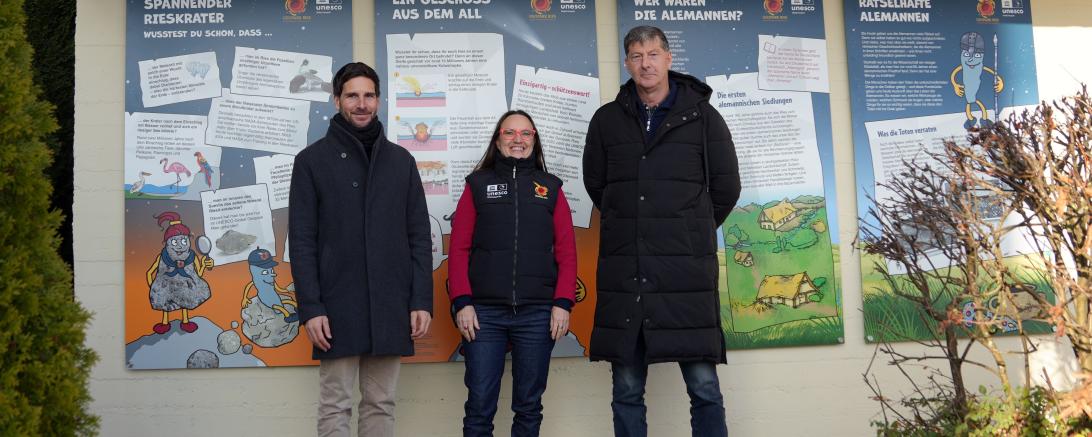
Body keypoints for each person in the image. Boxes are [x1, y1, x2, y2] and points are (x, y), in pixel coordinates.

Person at [582, 25, 742, 437]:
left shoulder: (703, 117)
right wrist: (637, 225)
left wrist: (687, 231)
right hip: (628, 272)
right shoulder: (607, 120)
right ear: (627, 63)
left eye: (653, 54)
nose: (646, 64)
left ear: (669, 59)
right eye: (637, 56)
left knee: (704, 387)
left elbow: (726, 187)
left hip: (686, 273)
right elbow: (598, 186)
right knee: (626, 389)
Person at [289, 62, 433, 437]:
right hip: (336, 305)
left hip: (390, 303)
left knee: (381, 403)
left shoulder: (401, 161)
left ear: (379, 101)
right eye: (352, 95)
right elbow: (301, 241)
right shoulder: (311, 162)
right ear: (336, 100)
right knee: (335, 404)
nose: (361, 103)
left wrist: (420, 300)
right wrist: (311, 308)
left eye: (369, 95)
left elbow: (419, 236)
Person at [447, 110, 578, 437]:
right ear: (498, 140)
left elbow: (567, 252)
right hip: (483, 315)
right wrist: (462, 302)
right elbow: (459, 249)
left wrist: (562, 303)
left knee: (529, 406)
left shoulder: (551, 187)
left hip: (537, 314)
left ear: (534, 140)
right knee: (479, 405)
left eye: (525, 133)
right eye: (510, 133)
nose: (518, 139)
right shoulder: (477, 185)